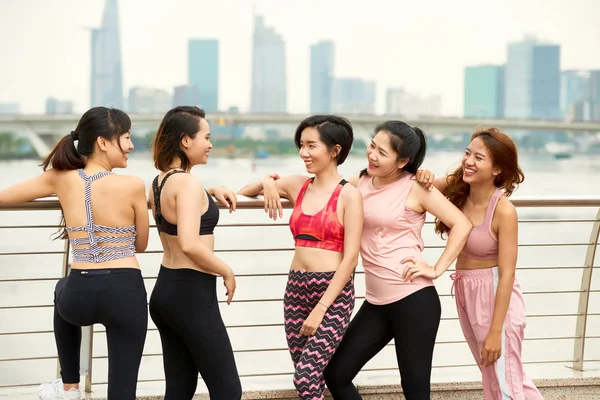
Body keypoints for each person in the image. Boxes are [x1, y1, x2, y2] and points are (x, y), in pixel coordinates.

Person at [260, 121, 472, 399]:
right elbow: (322, 186)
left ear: (402, 161)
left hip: (414, 300)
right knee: (336, 374)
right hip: (375, 303)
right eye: (372, 146)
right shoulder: (360, 182)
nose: (372, 155)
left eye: (382, 153)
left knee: (415, 389)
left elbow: (462, 224)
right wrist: (269, 183)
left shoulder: (416, 187)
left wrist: (435, 268)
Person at [0, 107, 150, 400]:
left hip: (77, 295)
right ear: (104, 142)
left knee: (60, 288)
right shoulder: (133, 184)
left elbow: (4, 196)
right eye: (127, 137)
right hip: (124, 293)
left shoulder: (59, 178)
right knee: (123, 392)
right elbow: (141, 244)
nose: (131, 145)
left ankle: (69, 386)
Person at [238, 115, 363, 400]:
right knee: (310, 382)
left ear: (335, 150)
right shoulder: (298, 185)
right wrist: (268, 182)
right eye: (301, 145)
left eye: (311, 146)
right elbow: (243, 194)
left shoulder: (349, 196)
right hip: (296, 289)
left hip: (332, 293)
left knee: (305, 377)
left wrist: (321, 309)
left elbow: (351, 260)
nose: (304, 153)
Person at [415, 126, 543, 400]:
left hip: (495, 297)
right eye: (467, 153)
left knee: (506, 381)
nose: (468, 162)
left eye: (479, 157)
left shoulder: (504, 210)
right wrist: (422, 174)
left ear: (498, 169)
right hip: (466, 291)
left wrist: (496, 331)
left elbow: (507, 275)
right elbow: (414, 185)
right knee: (502, 374)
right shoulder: (458, 185)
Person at [147, 106, 242, 400]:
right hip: (192, 295)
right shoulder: (188, 183)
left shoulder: (159, 181)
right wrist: (225, 270)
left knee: (180, 389)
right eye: (206, 137)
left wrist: (210, 191)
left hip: (166, 292)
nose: (210, 144)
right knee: (228, 391)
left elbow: (181, 211)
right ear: (185, 140)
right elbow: (189, 243)